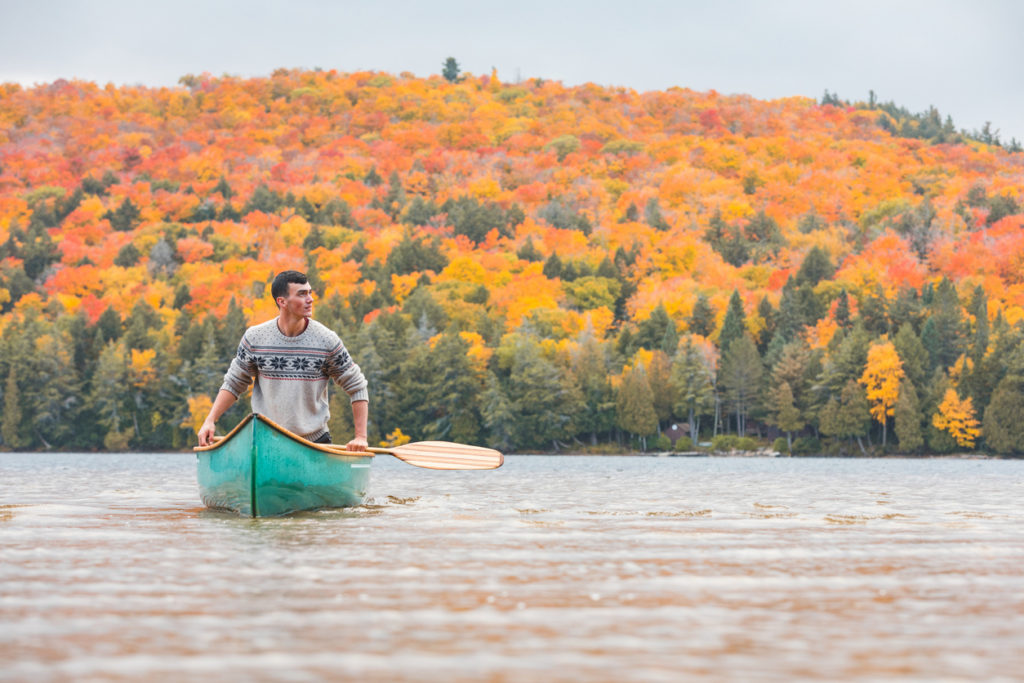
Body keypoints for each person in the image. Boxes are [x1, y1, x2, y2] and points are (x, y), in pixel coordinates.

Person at [196, 270, 368, 451]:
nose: (310, 299)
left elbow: (357, 387)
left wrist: (361, 437)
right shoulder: (255, 338)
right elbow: (233, 383)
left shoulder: (327, 340)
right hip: (265, 441)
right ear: (282, 301)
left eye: (310, 292)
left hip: (314, 444)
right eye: (302, 294)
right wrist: (210, 420)